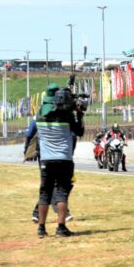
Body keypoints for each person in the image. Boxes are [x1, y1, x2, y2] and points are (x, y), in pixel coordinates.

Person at [34, 82, 84, 237]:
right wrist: (79, 114)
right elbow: (79, 131)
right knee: (61, 192)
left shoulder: (40, 113)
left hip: (45, 160)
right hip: (64, 159)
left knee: (44, 193)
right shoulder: (67, 115)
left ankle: (41, 228)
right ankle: (61, 228)